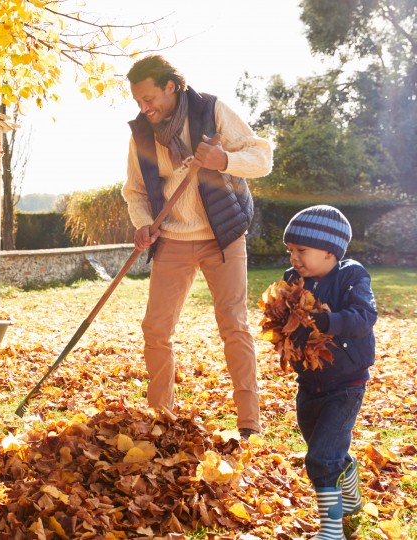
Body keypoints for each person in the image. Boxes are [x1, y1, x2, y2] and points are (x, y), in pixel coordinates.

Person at [121, 55, 272, 438]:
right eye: (139, 101)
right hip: (173, 238)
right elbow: (135, 191)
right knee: (156, 329)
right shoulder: (142, 133)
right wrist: (142, 223)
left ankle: (249, 424)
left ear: (171, 86)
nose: (145, 107)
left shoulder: (211, 110)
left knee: (233, 325)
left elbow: (262, 158)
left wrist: (224, 159)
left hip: (223, 235)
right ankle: (161, 419)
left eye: (150, 97)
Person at [282, 205, 376, 539]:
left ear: (329, 251)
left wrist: (330, 321)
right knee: (324, 448)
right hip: (309, 382)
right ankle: (348, 481)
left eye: (301, 251)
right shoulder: (294, 279)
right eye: (290, 250)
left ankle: (331, 530)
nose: (294, 257)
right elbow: (287, 315)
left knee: (321, 456)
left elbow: (365, 317)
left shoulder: (352, 276)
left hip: (346, 383)